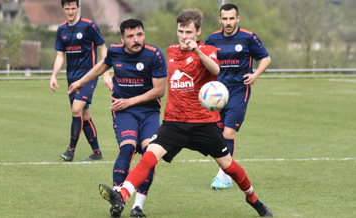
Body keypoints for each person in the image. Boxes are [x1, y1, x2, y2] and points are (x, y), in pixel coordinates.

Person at [82, 9, 273, 217]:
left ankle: (254, 200)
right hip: (174, 123)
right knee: (149, 156)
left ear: (198, 32)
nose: (184, 36)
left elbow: (216, 70)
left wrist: (197, 52)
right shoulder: (171, 51)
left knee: (229, 167)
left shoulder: (207, 50)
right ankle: (123, 195)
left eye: (189, 32)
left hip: (203, 124)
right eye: (181, 31)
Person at [68, 19, 168, 217]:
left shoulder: (154, 54)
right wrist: (80, 82)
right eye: (130, 36)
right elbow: (101, 67)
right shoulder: (114, 51)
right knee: (128, 146)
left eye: (139, 34)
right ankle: (117, 199)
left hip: (148, 112)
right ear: (122, 39)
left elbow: (159, 91)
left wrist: (129, 101)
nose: (136, 39)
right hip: (124, 112)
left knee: (150, 153)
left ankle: (137, 206)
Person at [206, 3, 272, 190]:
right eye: (225, 19)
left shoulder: (248, 37)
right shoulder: (212, 39)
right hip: (217, 92)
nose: (228, 22)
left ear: (238, 19)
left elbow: (265, 58)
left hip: (238, 90)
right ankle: (226, 172)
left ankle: (224, 176)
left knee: (228, 132)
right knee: (218, 135)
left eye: (231, 18)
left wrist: (255, 75)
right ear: (220, 20)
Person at [50, 0, 108, 161]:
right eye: (67, 9)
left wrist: (105, 73)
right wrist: (54, 75)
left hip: (88, 77)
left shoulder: (89, 26)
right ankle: (97, 153)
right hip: (72, 79)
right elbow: (60, 55)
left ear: (78, 7)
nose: (70, 11)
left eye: (73, 8)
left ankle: (70, 151)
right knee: (84, 115)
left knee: (76, 110)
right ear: (63, 8)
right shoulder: (61, 29)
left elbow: (103, 48)